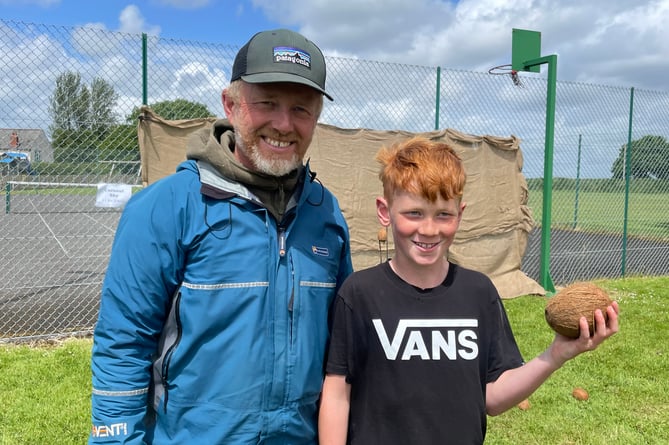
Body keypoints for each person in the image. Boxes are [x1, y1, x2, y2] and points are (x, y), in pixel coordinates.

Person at [89, 29, 353, 444]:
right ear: (230, 105)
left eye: (301, 108)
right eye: (267, 103)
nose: (284, 124)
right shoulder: (165, 207)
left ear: (317, 116)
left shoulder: (326, 213)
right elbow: (123, 343)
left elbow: (343, 344)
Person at [318, 136, 619, 445]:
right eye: (414, 213)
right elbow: (338, 395)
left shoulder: (478, 293)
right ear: (385, 211)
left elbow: (493, 397)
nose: (429, 229)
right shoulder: (359, 294)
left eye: (443, 215)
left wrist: (555, 356)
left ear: (460, 214)